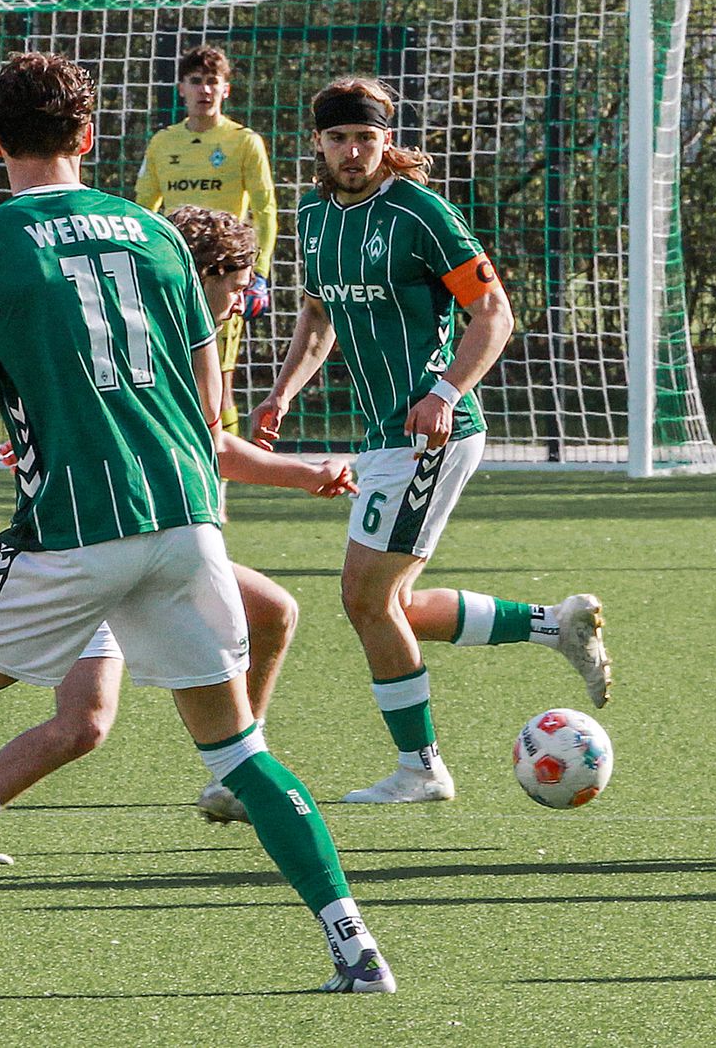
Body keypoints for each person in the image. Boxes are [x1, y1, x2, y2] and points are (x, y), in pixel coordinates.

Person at [0, 51, 396, 997]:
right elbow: (209, 416)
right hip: (188, 524)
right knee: (239, 751)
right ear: (90, 138)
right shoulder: (160, 237)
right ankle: (357, 949)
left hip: (72, 532)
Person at [0, 206, 355, 864]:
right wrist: (307, 475)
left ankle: (234, 770)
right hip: (88, 544)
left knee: (269, 613)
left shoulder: (160, 332)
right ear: (200, 274)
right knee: (76, 720)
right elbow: (207, 446)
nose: (242, 303)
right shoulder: (143, 336)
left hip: (143, 541)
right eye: (237, 286)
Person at [249, 77, 610, 806]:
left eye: (367, 138)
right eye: (340, 138)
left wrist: (445, 392)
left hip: (430, 434)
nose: (353, 152)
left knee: (365, 598)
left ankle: (422, 768)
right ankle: (555, 626)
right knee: (396, 607)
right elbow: (318, 314)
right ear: (318, 143)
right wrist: (283, 392)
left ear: (387, 141)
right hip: (383, 436)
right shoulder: (313, 214)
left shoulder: (421, 213)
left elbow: (494, 313)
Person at [135, 44, 277, 433]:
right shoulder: (164, 142)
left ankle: (219, 467)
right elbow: (144, 208)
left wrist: (259, 275)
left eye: (213, 81)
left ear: (226, 89)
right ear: (181, 88)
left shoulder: (244, 142)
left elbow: (266, 210)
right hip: (175, 274)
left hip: (222, 276)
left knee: (218, 382)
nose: (205, 90)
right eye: (196, 81)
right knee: (167, 374)